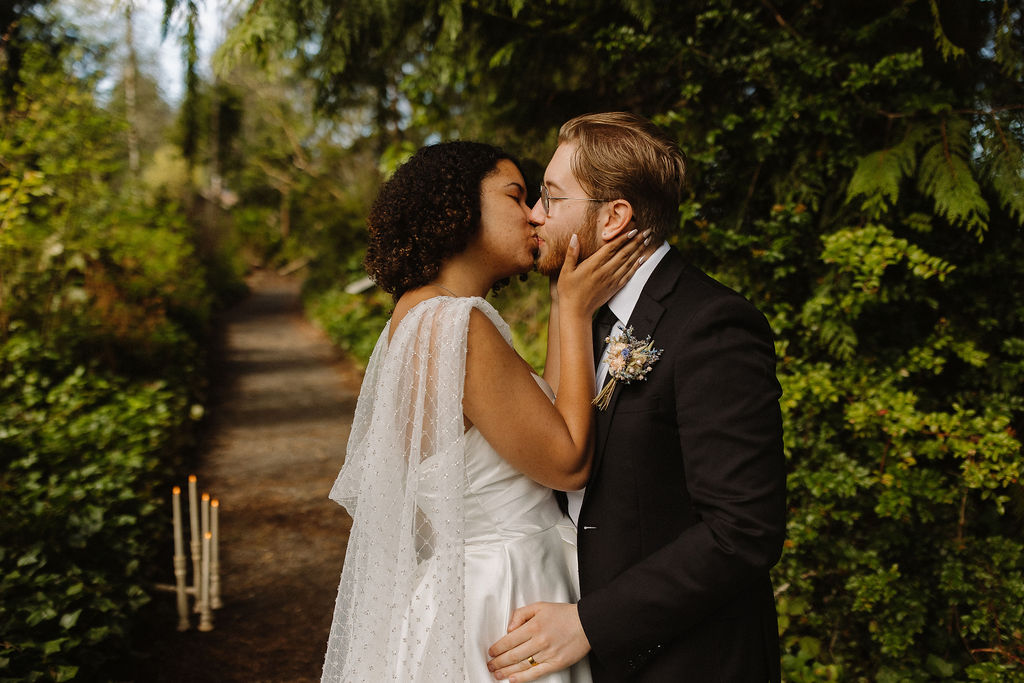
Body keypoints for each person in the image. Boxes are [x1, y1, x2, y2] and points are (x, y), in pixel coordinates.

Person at [321, 141, 646, 682]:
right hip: (509, 593)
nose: (534, 214)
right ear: (457, 209)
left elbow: (549, 413)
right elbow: (567, 462)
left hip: (472, 583)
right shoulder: (456, 323)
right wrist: (575, 310)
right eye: (516, 196)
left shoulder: (423, 311)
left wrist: (562, 303)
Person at [486, 113, 787, 682]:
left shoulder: (710, 323)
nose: (534, 214)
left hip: (690, 663)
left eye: (550, 197)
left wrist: (590, 623)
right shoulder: (587, 313)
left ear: (614, 216)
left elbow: (744, 530)